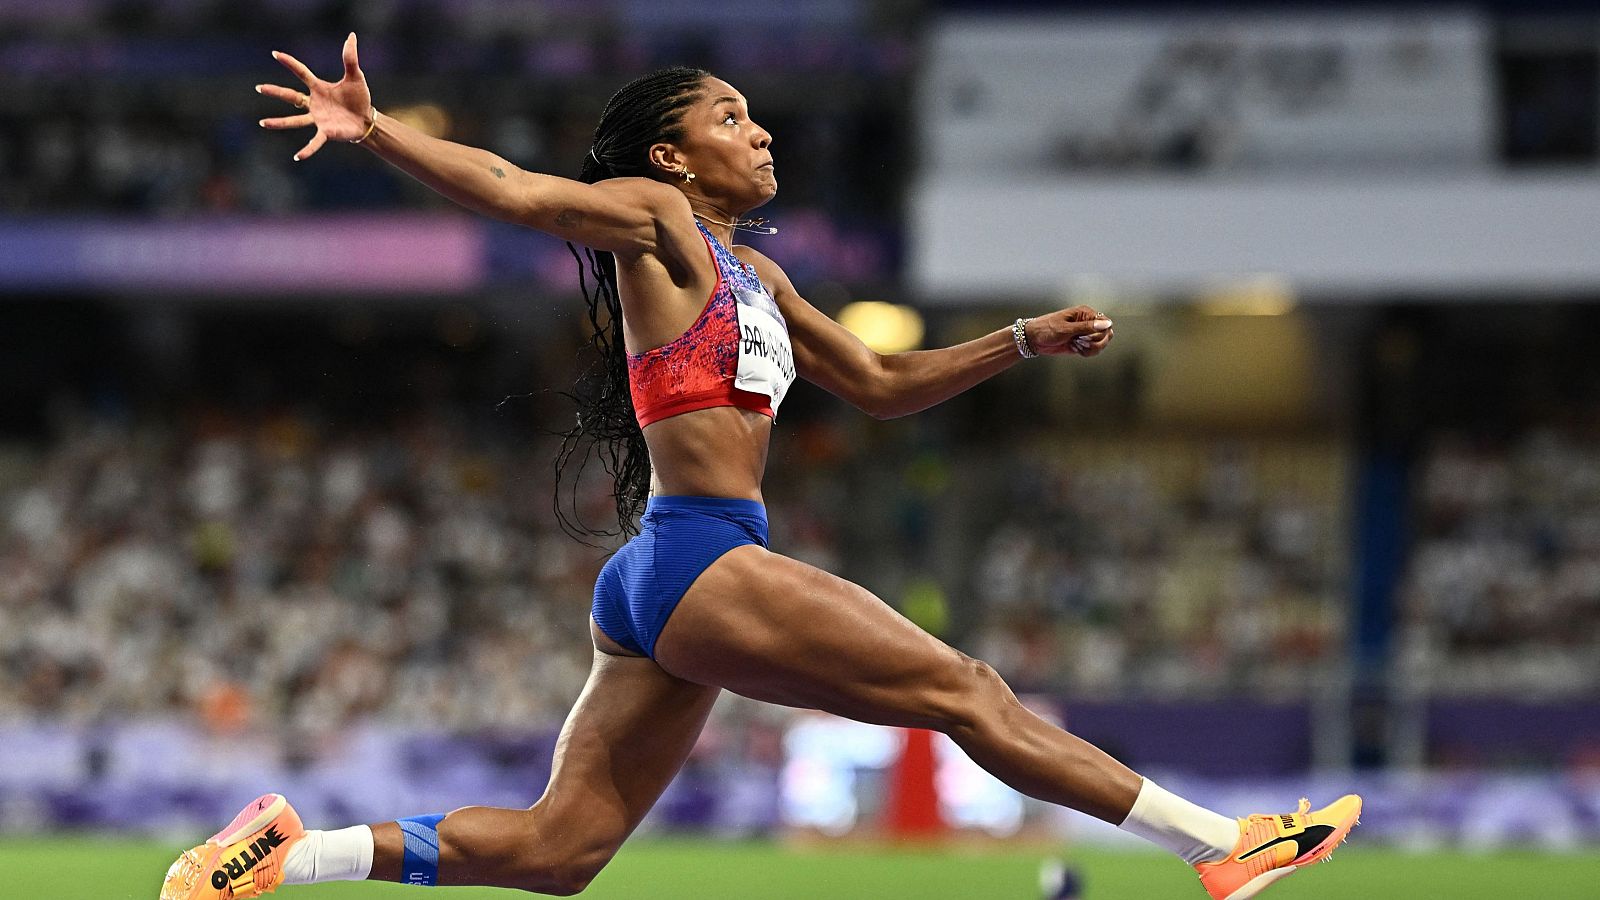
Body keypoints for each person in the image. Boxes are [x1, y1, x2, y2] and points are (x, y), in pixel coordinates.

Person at [160, 33, 1359, 900]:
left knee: (560, 853)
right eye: (728, 118)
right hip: (699, 555)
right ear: (671, 160)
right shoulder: (656, 220)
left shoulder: (761, 278)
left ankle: (286, 855)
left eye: (753, 114)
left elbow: (882, 388)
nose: (761, 129)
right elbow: (523, 193)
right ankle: (1223, 845)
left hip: (663, 575)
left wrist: (1017, 342)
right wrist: (381, 135)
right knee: (968, 691)